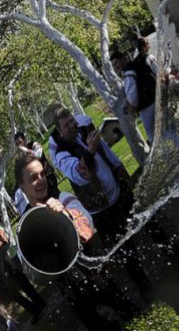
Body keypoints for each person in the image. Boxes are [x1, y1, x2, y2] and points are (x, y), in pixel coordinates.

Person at [15, 154, 135, 331]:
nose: (41, 181)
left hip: (95, 274)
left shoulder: (62, 197)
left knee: (123, 305)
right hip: (70, 290)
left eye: (41, 174)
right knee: (93, 323)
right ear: (22, 187)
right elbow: (32, 271)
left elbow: (88, 225)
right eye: (33, 178)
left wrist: (65, 215)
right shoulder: (25, 223)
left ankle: (136, 326)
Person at [49, 109, 154, 298]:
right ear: (59, 131)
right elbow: (78, 174)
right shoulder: (60, 153)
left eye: (72, 121)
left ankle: (169, 246)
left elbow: (104, 149)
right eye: (67, 125)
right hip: (101, 208)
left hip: (118, 190)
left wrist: (119, 167)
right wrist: (89, 149)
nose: (72, 126)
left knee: (145, 217)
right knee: (122, 245)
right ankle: (143, 285)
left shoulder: (84, 128)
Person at [111, 50, 158, 142]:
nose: (116, 67)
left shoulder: (128, 73)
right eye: (113, 65)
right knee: (167, 127)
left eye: (116, 63)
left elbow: (132, 97)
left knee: (152, 135)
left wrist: (128, 108)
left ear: (123, 59)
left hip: (146, 107)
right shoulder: (136, 66)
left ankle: (167, 154)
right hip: (156, 98)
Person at [13, 132, 59, 213]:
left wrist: (27, 150)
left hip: (47, 178)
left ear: (24, 140)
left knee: (56, 198)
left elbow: (38, 154)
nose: (19, 146)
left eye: (20, 142)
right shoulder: (21, 157)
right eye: (17, 144)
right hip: (37, 186)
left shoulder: (33, 145)